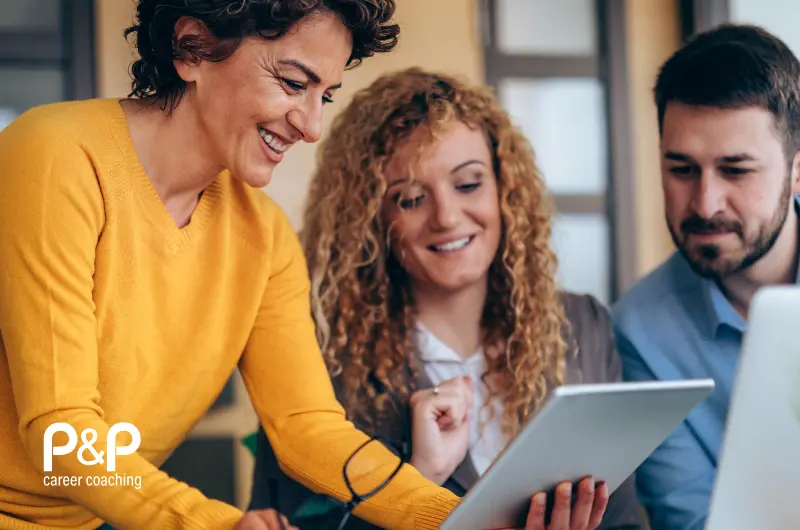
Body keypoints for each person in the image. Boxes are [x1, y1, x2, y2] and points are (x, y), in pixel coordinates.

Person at [0, 2, 476, 529]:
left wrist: (457, 518)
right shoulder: (56, 156)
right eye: (295, 82)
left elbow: (306, 428)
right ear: (193, 48)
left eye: (326, 95)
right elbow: (60, 432)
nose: (312, 125)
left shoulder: (266, 237)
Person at [248, 67, 645, 530]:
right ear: (373, 219)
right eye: (412, 199)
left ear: (505, 189)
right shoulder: (317, 356)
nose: (448, 217)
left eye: (469, 183)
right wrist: (419, 477)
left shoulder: (581, 326)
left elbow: (622, 520)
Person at [612, 23, 800, 530]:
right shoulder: (640, 331)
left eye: (736, 170)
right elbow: (698, 522)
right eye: (682, 169)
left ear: (797, 170)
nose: (704, 204)